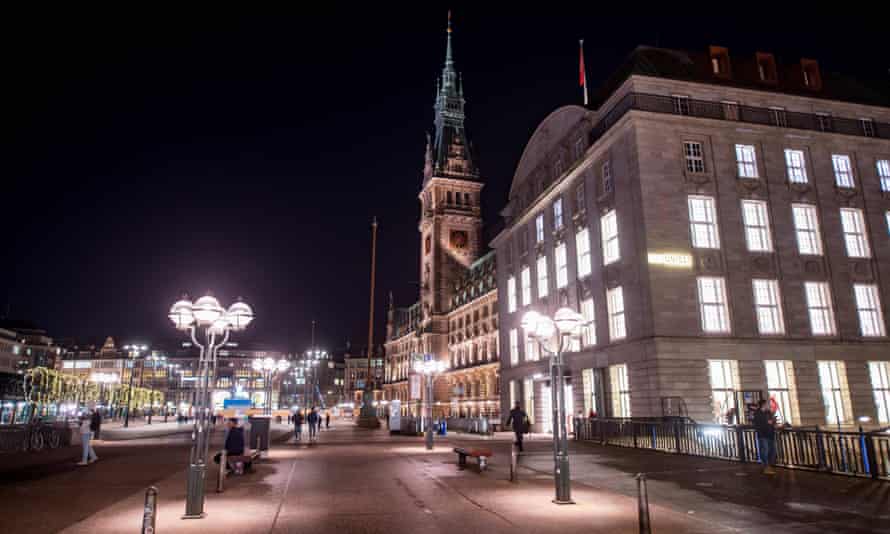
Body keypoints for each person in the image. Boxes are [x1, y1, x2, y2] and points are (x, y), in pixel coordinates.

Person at [753, 399, 777, 475]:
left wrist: (772, 421)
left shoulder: (768, 412)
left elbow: (771, 421)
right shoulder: (757, 413)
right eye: (767, 404)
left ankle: (770, 466)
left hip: (770, 434)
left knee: (771, 451)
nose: (768, 405)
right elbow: (758, 424)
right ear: (763, 405)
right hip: (763, 434)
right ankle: (765, 467)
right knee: (764, 450)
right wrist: (768, 422)